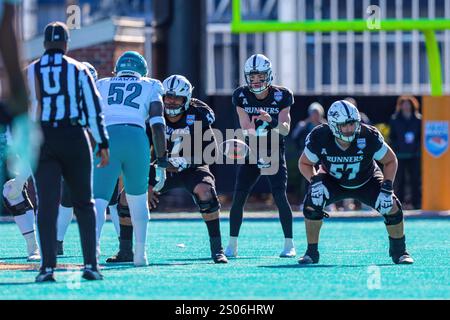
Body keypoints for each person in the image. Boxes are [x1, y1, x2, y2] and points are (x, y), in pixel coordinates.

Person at [106, 75, 228, 264]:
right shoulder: (152, 113)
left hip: (192, 166)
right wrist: (142, 181)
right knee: (126, 198)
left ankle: (217, 249)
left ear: (186, 99)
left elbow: (210, 153)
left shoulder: (198, 114)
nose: (170, 102)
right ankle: (125, 251)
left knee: (206, 193)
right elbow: (141, 150)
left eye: (175, 98)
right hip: (161, 166)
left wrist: (183, 162)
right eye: (167, 97)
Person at [27, 22, 110, 282]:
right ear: (66, 44)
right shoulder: (79, 69)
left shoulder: (30, 71)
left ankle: (47, 267)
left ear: (44, 44)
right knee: (84, 202)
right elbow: (93, 109)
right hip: (74, 136)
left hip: (43, 137)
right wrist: (102, 143)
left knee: (47, 205)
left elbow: (23, 110)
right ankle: (90, 265)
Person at [297, 100, 414, 265]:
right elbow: (304, 163)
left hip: (367, 180)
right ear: (332, 125)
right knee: (311, 203)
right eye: (345, 125)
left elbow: (390, 160)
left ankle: (400, 252)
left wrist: (387, 187)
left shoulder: (368, 136)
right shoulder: (320, 136)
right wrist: (315, 181)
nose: (350, 129)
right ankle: (311, 252)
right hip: (333, 181)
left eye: (352, 124)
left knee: (392, 206)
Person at [94, 51, 167, 266]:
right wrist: (161, 158)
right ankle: (140, 254)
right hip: (137, 139)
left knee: (98, 201)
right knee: (138, 198)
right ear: (143, 71)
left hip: (107, 138)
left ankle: (92, 255)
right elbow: (157, 124)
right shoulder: (151, 85)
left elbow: (90, 115)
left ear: (117, 70)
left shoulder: (102, 83)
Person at [225, 54, 296, 258]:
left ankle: (289, 244)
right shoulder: (241, 95)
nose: (256, 81)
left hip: (274, 149)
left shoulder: (282, 95)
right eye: (252, 77)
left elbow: (285, 129)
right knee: (239, 196)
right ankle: (232, 245)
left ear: (269, 76)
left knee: (279, 195)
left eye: (260, 77)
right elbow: (245, 126)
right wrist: (255, 146)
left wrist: (271, 121)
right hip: (251, 151)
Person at [389, 96, 422, 209]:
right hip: (400, 155)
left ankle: (416, 203)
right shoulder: (394, 119)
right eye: (404, 104)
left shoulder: (419, 120)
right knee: (400, 180)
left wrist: (416, 148)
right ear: (400, 106)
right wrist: (397, 148)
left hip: (415, 155)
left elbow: (421, 137)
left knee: (415, 179)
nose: (406, 106)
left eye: (408, 104)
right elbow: (392, 137)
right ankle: (399, 203)